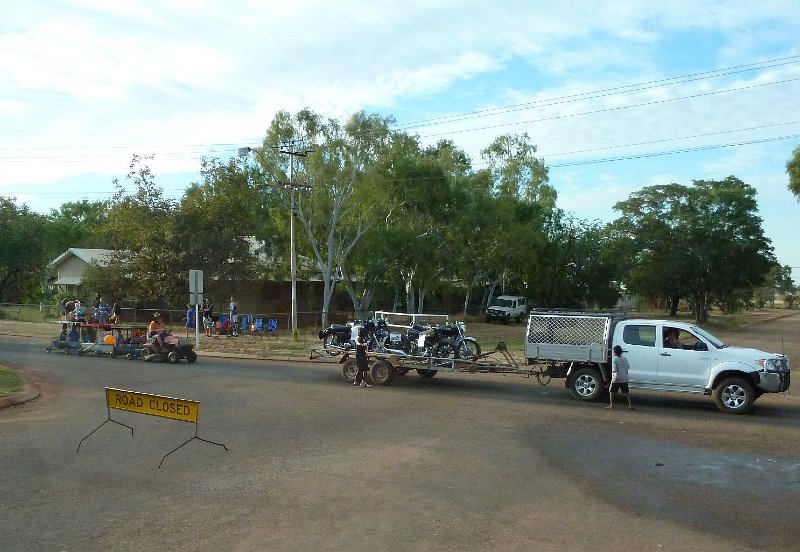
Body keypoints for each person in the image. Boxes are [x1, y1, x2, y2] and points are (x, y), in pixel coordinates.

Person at [607, 345, 634, 410]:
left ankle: (611, 405)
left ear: (615, 353)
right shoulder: (625, 359)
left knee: (611, 391)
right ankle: (630, 404)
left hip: (617, 377)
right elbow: (628, 367)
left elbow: (615, 370)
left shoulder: (615, 360)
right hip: (624, 377)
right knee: (626, 392)